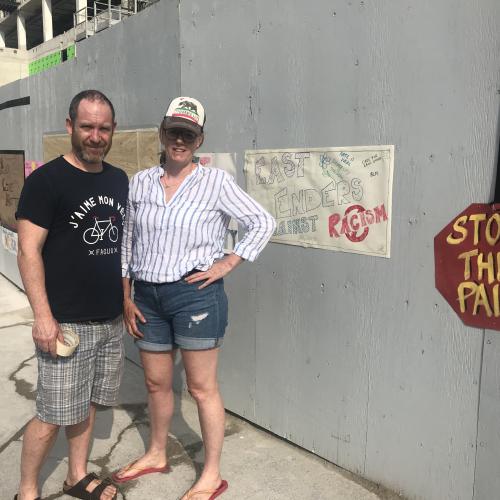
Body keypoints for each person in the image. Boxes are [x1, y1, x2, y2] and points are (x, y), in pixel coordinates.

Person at [115, 96, 275, 499]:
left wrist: (227, 263)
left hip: (194, 296)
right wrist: (127, 295)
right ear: (162, 133)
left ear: (200, 139)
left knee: (202, 388)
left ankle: (212, 475)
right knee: (155, 383)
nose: (180, 140)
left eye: (189, 133)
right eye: (174, 131)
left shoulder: (215, 182)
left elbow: (262, 221)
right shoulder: (141, 182)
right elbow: (128, 241)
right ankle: (156, 452)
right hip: (147, 296)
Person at [15, 90, 128, 500]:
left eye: (103, 128)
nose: (95, 136)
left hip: (110, 322)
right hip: (66, 326)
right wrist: (43, 318)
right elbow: (28, 252)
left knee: (89, 405)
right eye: (86, 127)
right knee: (50, 415)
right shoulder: (46, 181)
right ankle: (26, 492)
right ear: (70, 127)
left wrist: (126, 303)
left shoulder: (118, 179)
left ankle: (75, 476)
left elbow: (121, 248)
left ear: (112, 130)